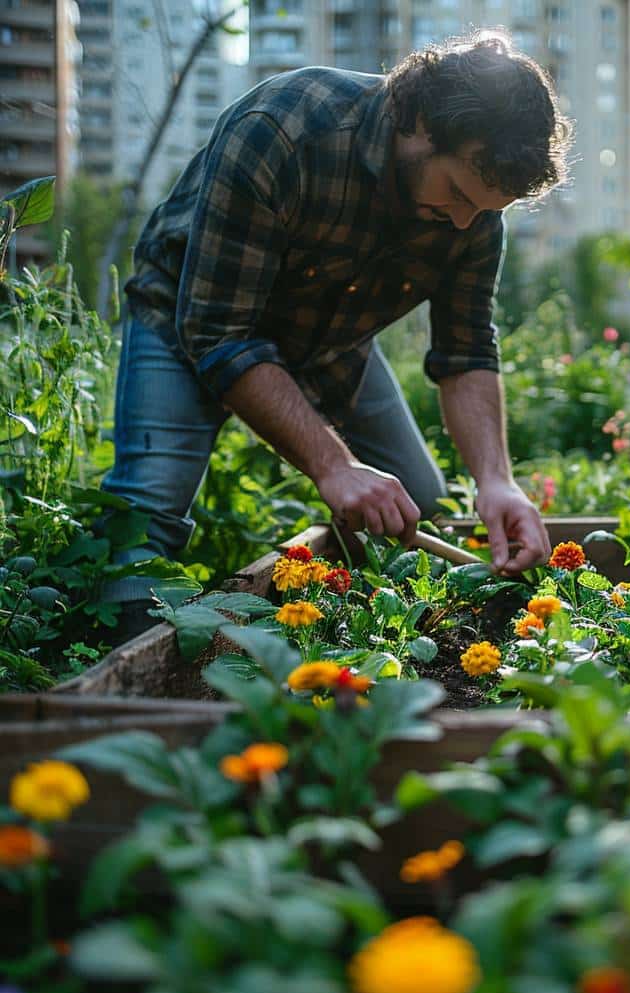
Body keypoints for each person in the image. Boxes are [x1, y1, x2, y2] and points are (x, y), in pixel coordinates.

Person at [102, 31, 572, 630]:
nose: (462, 222)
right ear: (418, 123)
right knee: (145, 522)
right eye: (455, 193)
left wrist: (496, 481)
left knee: (417, 509)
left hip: (331, 343)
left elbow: (466, 351)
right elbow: (222, 334)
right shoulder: (282, 130)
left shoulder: (473, 211)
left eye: (483, 211)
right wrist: (333, 465)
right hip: (189, 320)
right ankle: (129, 689)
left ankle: (362, 635)